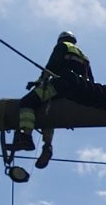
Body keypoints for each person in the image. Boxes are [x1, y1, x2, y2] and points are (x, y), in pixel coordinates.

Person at [15, 30, 93, 169]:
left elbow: (52, 66)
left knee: (27, 102)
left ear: (60, 39)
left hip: (61, 85)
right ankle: (47, 146)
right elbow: (91, 80)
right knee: (47, 110)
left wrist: (39, 81)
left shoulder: (62, 46)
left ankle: (26, 137)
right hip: (77, 92)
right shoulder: (84, 56)